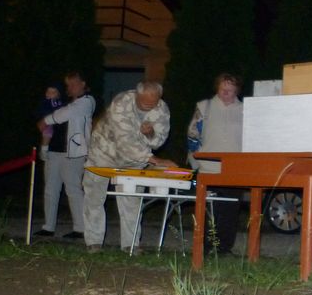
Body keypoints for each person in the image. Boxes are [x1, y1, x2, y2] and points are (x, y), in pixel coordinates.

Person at [82, 81, 175, 252]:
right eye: (145, 104)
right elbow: (125, 142)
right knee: (94, 197)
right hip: (103, 153)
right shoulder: (121, 102)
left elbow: (158, 141)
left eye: (153, 103)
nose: (149, 107)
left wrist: (150, 133)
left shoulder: (162, 109)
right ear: (136, 95)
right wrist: (155, 160)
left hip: (134, 161)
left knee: (132, 200)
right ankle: (93, 242)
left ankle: (130, 245)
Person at [187, 73, 244, 255]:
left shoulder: (246, 110)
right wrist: (195, 161)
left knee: (230, 209)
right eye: (222, 87)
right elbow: (193, 134)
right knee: (207, 209)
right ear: (217, 88)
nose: (226, 91)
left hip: (235, 169)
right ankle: (204, 247)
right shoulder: (204, 107)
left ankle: (224, 248)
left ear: (237, 89)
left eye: (230, 87)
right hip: (208, 167)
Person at [35, 72, 96, 239]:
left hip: (74, 153)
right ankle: (48, 226)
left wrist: (46, 120)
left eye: (74, 83)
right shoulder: (64, 102)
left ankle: (80, 228)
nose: (71, 87)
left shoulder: (87, 101)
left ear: (83, 84)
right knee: (50, 190)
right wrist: (44, 146)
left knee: (73, 189)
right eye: (68, 84)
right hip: (54, 150)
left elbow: (66, 113)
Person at [36, 83, 63, 163]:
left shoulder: (59, 102)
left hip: (57, 128)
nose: (49, 94)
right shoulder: (46, 102)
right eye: (48, 91)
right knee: (48, 132)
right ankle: (43, 150)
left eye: (53, 92)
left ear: (58, 94)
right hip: (47, 122)